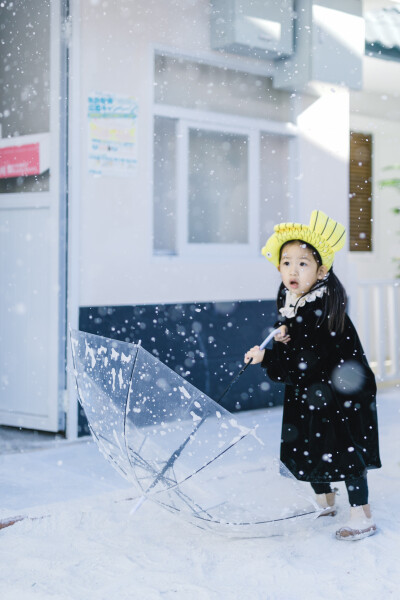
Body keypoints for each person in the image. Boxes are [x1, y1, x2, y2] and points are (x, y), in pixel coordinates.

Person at [244, 210, 381, 541]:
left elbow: (306, 362)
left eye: (303, 263)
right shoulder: (292, 299)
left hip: (341, 392)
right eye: (286, 261)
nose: (292, 269)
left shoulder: (320, 309)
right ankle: (325, 500)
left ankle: (361, 513)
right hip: (314, 390)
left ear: (321, 271)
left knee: (345, 448)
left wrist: (268, 358)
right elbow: (300, 347)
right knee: (309, 442)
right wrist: (285, 334)